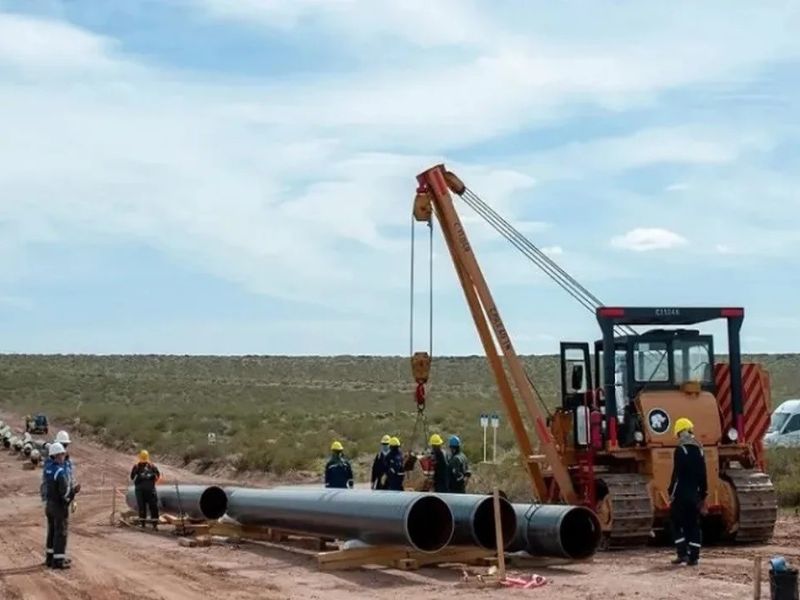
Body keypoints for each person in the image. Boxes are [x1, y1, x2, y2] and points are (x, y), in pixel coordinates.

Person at [668, 417, 708, 567]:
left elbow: (677, 476)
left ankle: (682, 553)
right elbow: (703, 475)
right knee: (693, 525)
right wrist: (703, 495)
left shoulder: (680, 450)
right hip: (695, 495)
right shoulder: (700, 450)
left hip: (681, 495)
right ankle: (694, 557)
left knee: (676, 522)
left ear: (680, 433)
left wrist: (671, 493)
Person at [43, 442, 79, 569]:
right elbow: (65, 494)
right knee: (61, 533)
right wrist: (74, 491)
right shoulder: (60, 472)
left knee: (52, 531)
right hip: (59, 507)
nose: (64, 456)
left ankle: (50, 558)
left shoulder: (48, 469)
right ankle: (58, 560)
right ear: (57, 455)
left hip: (49, 505)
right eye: (62, 454)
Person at [130, 450, 161, 529]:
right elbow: (158, 476)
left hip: (142, 490)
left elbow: (132, 477)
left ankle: (145, 524)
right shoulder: (151, 466)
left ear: (139, 457)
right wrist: (150, 477)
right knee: (151, 506)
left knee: (144, 506)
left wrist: (148, 476)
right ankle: (152, 524)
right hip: (148, 490)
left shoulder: (138, 466)